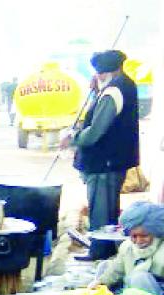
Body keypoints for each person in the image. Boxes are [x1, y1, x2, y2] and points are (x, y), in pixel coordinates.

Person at [60, 49, 140, 261]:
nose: (98, 76)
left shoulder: (113, 92)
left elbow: (95, 131)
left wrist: (73, 138)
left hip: (105, 162)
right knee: (107, 210)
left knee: (101, 211)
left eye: (101, 73)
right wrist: (97, 92)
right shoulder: (126, 84)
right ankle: (108, 251)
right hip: (113, 160)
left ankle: (100, 253)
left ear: (110, 72)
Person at [89, 202, 164, 295]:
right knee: (104, 266)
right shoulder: (127, 247)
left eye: (144, 236)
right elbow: (116, 270)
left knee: (139, 278)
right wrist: (100, 283)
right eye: (134, 236)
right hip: (130, 292)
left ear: (155, 232)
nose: (138, 241)